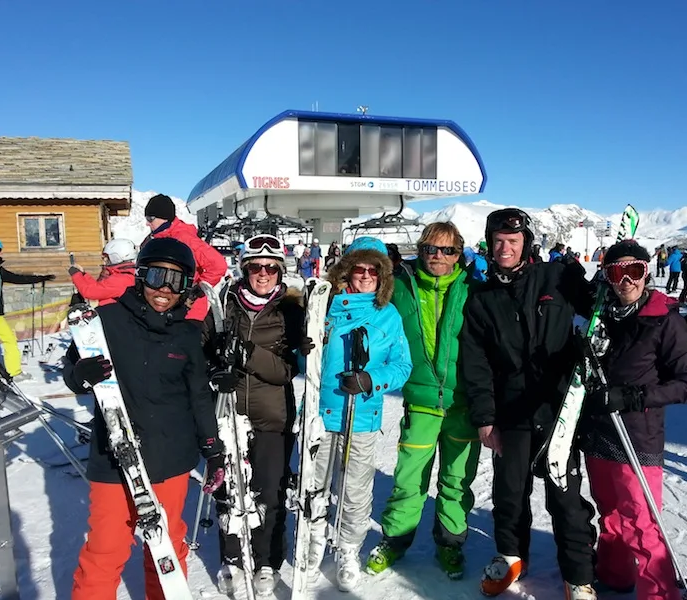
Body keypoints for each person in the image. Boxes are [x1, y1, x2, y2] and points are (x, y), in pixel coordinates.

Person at [62, 237, 223, 599]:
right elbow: (72, 372)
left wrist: (212, 446)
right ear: (140, 276)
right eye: (156, 276)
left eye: (176, 280)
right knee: (105, 550)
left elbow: (198, 395)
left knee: (166, 546)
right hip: (114, 458)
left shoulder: (186, 334)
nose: (165, 288)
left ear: (186, 288)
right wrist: (80, 374)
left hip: (171, 456)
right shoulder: (106, 319)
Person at [460, 208, 598, 600]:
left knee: (566, 497)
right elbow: (476, 363)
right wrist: (486, 419)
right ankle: (510, 555)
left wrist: (608, 292)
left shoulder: (557, 277)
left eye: (513, 241)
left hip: (559, 409)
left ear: (527, 244)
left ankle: (579, 575)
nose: (505, 248)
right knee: (509, 491)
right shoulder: (482, 299)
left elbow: (598, 307)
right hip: (511, 409)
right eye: (498, 241)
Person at [581, 240, 687, 599]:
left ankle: (659, 593)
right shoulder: (600, 314)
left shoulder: (665, 320)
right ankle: (615, 573)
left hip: (637, 435)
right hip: (600, 431)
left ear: (647, 273)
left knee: (642, 522)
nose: (626, 280)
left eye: (636, 271)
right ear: (607, 276)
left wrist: (635, 397)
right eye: (617, 271)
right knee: (611, 515)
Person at [366, 222, 481, 580]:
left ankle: (449, 543)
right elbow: (363, 303)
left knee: (456, 479)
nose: (437, 257)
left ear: (458, 254)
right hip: (420, 400)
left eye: (447, 250)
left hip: (462, 403)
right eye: (431, 249)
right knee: (409, 478)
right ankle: (396, 540)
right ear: (421, 249)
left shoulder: (473, 289)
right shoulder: (400, 286)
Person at [201, 234, 308, 595]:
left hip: (272, 415)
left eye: (271, 268)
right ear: (244, 269)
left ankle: (267, 561)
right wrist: (215, 368)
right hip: (227, 411)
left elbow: (287, 369)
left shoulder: (291, 311)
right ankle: (232, 558)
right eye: (256, 267)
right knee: (229, 491)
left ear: (280, 271)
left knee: (270, 492)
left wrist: (247, 354)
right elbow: (203, 350)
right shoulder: (223, 305)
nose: (263, 274)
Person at [306, 237, 412, 592]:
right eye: (359, 268)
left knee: (354, 491)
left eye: (373, 270)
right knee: (314, 486)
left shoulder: (389, 315)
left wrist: (371, 379)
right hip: (323, 414)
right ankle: (313, 541)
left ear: (383, 276)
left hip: (361, 417)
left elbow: (402, 366)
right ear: (346, 270)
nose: (365, 275)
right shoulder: (325, 306)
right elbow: (303, 357)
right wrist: (302, 346)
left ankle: (348, 549)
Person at [0, 237, 55, 381]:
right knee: (9, 340)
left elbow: (16, 278)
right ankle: (15, 372)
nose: (0, 252)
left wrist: (40, 278)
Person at [141, 193, 227, 321]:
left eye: (150, 218)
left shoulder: (184, 238)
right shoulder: (159, 238)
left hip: (188, 312)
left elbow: (218, 265)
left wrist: (195, 292)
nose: (147, 224)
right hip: (168, 305)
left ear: (164, 218)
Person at [69, 239, 137, 306]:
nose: (105, 260)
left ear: (116, 257)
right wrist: (83, 275)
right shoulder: (122, 275)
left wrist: (76, 275)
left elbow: (90, 292)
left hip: (112, 314)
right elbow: (99, 287)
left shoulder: (121, 279)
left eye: (107, 257)